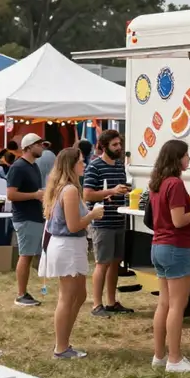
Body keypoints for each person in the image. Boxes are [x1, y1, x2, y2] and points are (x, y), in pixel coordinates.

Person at [149, 139, 190, 373]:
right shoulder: (175, 184)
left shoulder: (157, 183)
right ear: (177, 159)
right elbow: (178, 221)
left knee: (164, 303)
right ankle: (174, 359)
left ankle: (159, 355)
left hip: (158, 245)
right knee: (177, 305)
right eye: (186, 155)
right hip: (175, 246)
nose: (189, 159)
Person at [40, 147, 105, 358]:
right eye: (80, 161)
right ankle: (61, 347)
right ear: (71, 165)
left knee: (79, 294)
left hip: (70, 245)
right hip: (67, 246)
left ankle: (64, 341)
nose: (84, 164)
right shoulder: (69, 190)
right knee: (67, 297)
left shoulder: (65, 188)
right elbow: (74, 225)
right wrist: (93, 214)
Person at [82, 129, 132, 317]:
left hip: (119, 220)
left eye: (119, 144)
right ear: (104, 147)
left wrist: (125, 191)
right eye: (115, 145)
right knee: (102, 263)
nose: (119, 147)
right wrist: (111, 191)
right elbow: (87, 194)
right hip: (102, 222)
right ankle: (96, 305)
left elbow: (117, 190)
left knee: (115, 263)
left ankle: (111, 302)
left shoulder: (119, 166)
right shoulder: (94, 166)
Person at [6, 133, 46, 307]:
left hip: (34, 216)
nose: (42, 147)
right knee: (25, 255)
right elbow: (11, 195)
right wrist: (35, 195)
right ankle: (21, 294)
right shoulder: (18, 167)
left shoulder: (33, 166)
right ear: (28, 147)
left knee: (28, 256)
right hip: (25, 217)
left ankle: (24, 292)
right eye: (39, 144)